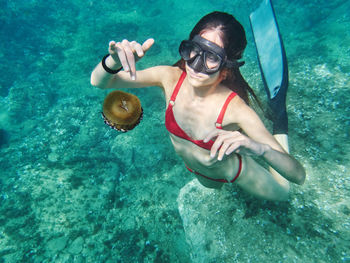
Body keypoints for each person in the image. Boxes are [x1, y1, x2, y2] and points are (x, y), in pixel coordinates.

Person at [91, 11, 305, 201]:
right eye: (195, 49)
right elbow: (99, 82)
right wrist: (113, 61)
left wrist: (261, 149)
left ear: (227, 69)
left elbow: (298, 176)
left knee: (284, 194)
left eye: (211, 56)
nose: (195, 65)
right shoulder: (170, 78)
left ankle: (279, 121)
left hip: (235, 171)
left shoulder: (236, 109)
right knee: (214, 188)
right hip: (199, 172)